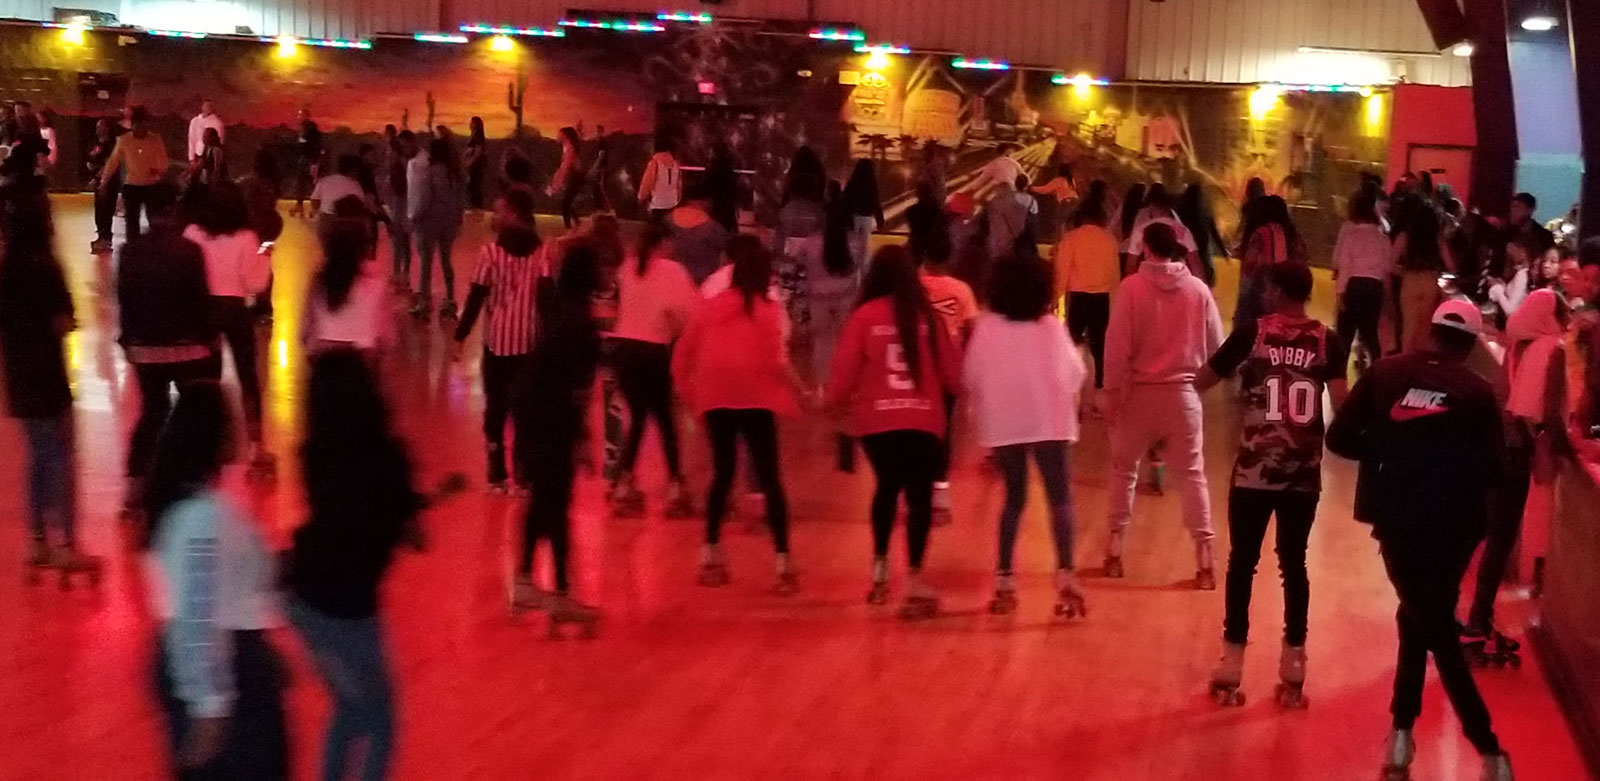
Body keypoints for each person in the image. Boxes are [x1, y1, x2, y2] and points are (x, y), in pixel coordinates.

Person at [1326, 300, 1515, 781]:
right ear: (1469, 345)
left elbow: (1338, 438)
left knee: (1421, 620)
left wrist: (1391, 449)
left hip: (1398, 519)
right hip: (1455, 528)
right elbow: (1495, 469)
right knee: (1429, 622)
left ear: (1430, 332)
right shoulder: (1477, 393)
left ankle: (1417, 741)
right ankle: (1485, 752)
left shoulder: (1385, 373)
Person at [1194, 262, 1348, 707]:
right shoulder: (1328, 340)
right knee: (1294, 564)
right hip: (1303, 473)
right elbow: (1342, 403)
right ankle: (1294, 664)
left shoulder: (1253, 333)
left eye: (1267, 288)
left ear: (1279, 290)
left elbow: (1204, 379)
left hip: (1253, 470)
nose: (1262, 294)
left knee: (1243, 563)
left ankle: (1232, 664)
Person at [286, 351, 423, 781]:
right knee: (380, 717)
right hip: (349, 606)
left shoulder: (314, 454)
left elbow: (343, 516)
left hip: (304, 598)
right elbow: (413, 533)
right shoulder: (387, 458)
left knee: (350, 707)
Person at [142, 382, 288, 780]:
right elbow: (196, 612)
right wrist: (209, 708)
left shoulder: (188, 507)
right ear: (218, 435)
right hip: (223, 670)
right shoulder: (202, 518)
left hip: (216, 665)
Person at [824, 245, 960, 614]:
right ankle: (914, 574)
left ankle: (880, 568)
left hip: (877, 423)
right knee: (919, 497)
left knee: (887, 486)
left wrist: (831, 406)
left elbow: (842, 377)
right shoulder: (929, 318)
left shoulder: (864, 317)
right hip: (924, 422)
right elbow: (952, 377)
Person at [672, 235, 807, 594]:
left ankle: (710, 554)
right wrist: (802, 391)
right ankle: (783, 562)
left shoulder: (710, 306)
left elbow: (682, 356)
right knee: (770, 477)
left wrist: (691, 397)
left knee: (722, 473)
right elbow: (777, 361)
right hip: (756, 399)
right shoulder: (769, 310)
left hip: (716, 397)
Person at [964, 255, 1090, 617]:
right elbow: (1075, 374)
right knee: (1060, 499)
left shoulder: (986, 327)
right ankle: (1066, 576)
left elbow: (971, 375)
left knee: (1014, 498)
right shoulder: (1050, 327)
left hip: (1005, 424)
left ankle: (1004, 579)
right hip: (1050, 422)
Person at [1101, 223, 1224, 586]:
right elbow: (1218, 347)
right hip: (1183, 397)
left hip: (1138, 396)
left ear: (1146, 249)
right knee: (1192, 475)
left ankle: (1114, 549)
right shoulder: (1198, 290)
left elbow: (1116, 349)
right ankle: (1204, 558)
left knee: (1124, 471)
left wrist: (1111, 393)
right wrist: (1199, 387)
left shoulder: (1131, 289)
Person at [1462, 288, 1566, 658]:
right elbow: (1549, 412)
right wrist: (1569, 448)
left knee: (1483, 536)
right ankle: (1477, 623)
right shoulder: (1552, 351)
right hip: (1514, 453)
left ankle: (1469, 617)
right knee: (1500, 541)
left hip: (1491, 445)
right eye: (1562, 316)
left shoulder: (1517, 347)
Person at [510, 242, 604, 623]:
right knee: (557, 504)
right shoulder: (582, 323)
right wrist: (580, 437)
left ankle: (524, 583)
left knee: (540, 500)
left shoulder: (557, 310)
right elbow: (576, 390)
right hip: (553, 419)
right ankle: (562, 592)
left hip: (531, 413)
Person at [0, 190, 93, 570]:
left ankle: (38, 541)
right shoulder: (47, 268)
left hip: (18, 374)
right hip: (49, 374)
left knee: (38, 456)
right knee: (60, 456)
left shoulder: (6, 270)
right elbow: (63, 321)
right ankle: (67, 544)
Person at [116, 183, 218, 516]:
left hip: (145, 349)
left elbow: (125, 300)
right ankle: (193, 486)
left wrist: (128, 340)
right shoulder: (190, 251)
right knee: (193, 416)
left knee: (152, 412)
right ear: (174, 209)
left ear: (147, 212)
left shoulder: (129, 252)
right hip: (188, 348)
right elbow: (200, 301)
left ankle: (134, 490)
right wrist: (210, 338)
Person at [452, 186, 545, 493]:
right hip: (529, 344)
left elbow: (476, 297)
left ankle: (497, 474)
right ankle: (524, 475)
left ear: (514, 215)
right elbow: (547, 299)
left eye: (500, 211)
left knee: (496, 408)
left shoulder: (490, 253)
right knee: (526, 412)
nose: (495, 216)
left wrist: (460, 336)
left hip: (497, 345)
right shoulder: (542, 253)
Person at [607, 224, 699, 517]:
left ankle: (624, 482)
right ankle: (675, 485)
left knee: (638, 417)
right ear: (663, 243)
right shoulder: (672, 271)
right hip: (654, 351)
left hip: (623, 351)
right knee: (665, 419)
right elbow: (686, 313)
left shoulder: (627, 268)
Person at [183, 182, 272, 474]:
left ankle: (211, 443)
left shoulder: (193, 233)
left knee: (208, 379)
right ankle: (257, 445)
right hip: (234, 309)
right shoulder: (246, 237)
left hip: (202, 309)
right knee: (248, 377)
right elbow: (256, 284)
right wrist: (266, 257)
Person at [918, 230, 978, 520]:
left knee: (917, 427)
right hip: (948, 366)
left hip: (915, 364)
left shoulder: (912, 286)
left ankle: (916, 488)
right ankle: (940, 494)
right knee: (943, 429)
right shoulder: (961, 290)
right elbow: (972, 331)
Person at [302, 217, 393, 357]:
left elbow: (305, 332)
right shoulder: (375, 283)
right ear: (364, 249)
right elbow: (387, 338)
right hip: (363, 357)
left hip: (325, 357)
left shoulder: (319, 283)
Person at [1054, 199, 1120, 393]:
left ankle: (1069, 383)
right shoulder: (1109, 240)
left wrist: (1054, 297)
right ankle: (1101, 382)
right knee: (1100, 343)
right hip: (1102, 298)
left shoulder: (1071, 238)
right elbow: (1114, 274)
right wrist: (1115, 302)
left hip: (1078, 298)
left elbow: (1062, 271)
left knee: (1072, 341)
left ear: (1082, 217)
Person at [408, 136, 467, 321]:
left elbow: (424, 199)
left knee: (425, 264)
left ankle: (423, 304)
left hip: (430, 221)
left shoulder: (430, 172)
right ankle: (450, 300)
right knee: (446, 261)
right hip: (448, 221)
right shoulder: (455, 173)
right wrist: (458, 219)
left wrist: (413, 216)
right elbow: (460, 201)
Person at [1332, 191, 1391, 371]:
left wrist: (1341, 292)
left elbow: (1345, 266)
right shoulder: (1382, 238)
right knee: (1370, 333)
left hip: (1354, 286)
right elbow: (1386, 267)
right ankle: (1377, 370)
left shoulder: (1351, 236)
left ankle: (1339, 373)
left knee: (1345, 333)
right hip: (1374, 287)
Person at [774, 153, 828, 338]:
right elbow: (822, 236)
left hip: (788, 257)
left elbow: (779, 238)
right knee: (805, 295)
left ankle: (786, 328)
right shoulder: (818, 211)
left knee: (786, 294)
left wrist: (777, 258)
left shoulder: (786, 210)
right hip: (810, 259)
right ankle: (803, 330)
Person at [1234, 195, 1306, 327]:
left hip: (1261, 286)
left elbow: (1250, 262)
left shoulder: (1261, 233)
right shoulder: (1292, 233)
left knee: (1252, 326)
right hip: (1288, 289)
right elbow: (1301, 257)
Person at [99, 106, 170, 239]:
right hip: (131, 186)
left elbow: (163, 160)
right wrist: (104, 181)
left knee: (154, 221)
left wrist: (159, 171)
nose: (141, 130)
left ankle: (155, 247)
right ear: (132, 125)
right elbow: (113, 161)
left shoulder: (155, 140)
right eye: (137, 126)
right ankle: (133, 247)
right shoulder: (124, 140)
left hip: (151, 186)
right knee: (132, 223)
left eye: (143, 125)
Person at [1392, 206, 1455, 353]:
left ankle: (1405, 359)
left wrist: (1404, 272)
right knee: (1424, 328)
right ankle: (1419, 360)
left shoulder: (1405, 236)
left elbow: (1390, 264)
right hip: (1429, 281)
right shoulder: (1437, 239)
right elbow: (1450, 265)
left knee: (1409, 326)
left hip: (1410, 281)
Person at [237, 150, 285, 325]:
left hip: (246, 233)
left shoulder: (244, 182)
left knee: (244, 266)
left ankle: (246, 304)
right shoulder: (269, 185)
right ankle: (263, 307)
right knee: (264, 266)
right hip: (267, 233)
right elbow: (269, 209)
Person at [1123, 184, 1198, 278]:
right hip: (1178, 279)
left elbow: (1130, 267)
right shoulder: (1183, 231)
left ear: (1150, 207)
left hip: (1149, 279)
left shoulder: (1141, 230)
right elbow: (1196, 266)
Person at [664, 183, 729, 285]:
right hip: (703, 281)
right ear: (705, 202)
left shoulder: (668, 220)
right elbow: (724, 256)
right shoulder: (713, 227)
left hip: (671, 278)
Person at [384, 131, 417, 292]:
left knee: (400, 240)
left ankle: (400, 273)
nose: (387, 153)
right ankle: (402, 273)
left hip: (402, 203)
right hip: (400, 203)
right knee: (402, 241)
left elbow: (405, 186)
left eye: (389, 150)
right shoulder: (399, 164)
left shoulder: (401, 164)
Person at [1176, 183, 1226, 286]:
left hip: (1186, 247)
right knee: (1206, 273)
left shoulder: (1181, 210)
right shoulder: (1205, 211)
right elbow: (1214, 231)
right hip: (1203, 246)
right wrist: (1223, 251)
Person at [840, 159, 885, 271]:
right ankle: (863, 270)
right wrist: (880, 221)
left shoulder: (852, 184)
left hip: (853, 217)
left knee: (852, 246)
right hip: (867, 218)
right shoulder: (871, 185)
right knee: (864, 247)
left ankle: (852, 269)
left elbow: (845, 201)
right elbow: (876, 202)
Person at [85, 117, 121, 251]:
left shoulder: (111, 144)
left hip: (108, 181)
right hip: (97, 180)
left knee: (106, 209)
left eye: (101, 126)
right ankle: (101, 235)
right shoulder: (95, 143)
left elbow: (109, 163)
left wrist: (99, 178)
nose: (98, 129)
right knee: (99, 209)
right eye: (97, 126)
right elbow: (91, 158)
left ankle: (106, 237)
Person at [985, 174, 1038, 262]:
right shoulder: (1031, 200)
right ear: (1026, 186)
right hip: (1023, 235)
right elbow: (1033, 218)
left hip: (1008, 233)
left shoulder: (1009, 198)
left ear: (1015, 184)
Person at [638, 129, 682, 222]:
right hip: (673, 203)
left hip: (658, 204)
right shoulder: (675, 164)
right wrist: (677, 199)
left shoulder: (655, 163)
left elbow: (647, 184)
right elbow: (679, 186)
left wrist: (641, 198)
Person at [549, 126, 584, 229]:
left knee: (565, 203)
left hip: (576, 177)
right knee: (566, 202)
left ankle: (570, 228)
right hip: (575, 176)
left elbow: (566, 166)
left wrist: (557, 183)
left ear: (565, 136)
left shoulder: (569, 148)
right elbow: (564, 166)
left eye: (559, 134)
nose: (557, 136)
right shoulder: (567, 147)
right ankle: (578, 224)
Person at [291, 107, 323, 217]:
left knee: (308, 183)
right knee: (303, 183)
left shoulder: (310, 129)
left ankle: (314, 207)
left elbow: (311, 144)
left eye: (300, 115)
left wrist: (314, 160)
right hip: (307, 158)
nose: (298, 117)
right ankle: (303, 205)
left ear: (306, 116)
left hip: (309, 159)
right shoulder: (305, 128)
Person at [703, 142, 737, 231]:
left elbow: (708, 181)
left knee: (718, 220)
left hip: (717, 198)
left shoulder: (713, 166)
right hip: (725, 198)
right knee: (727, 219)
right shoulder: (728, 166)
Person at [187, 99, 224, 163]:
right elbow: (191, 140)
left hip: (212, 157)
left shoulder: (218, 123)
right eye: (206, 106)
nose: (207, 108)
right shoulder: (195, 121)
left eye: (210, 106)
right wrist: (191, 158)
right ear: (202, 106)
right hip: (198, 154)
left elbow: (220, 143)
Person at [464, 116, 488, 213]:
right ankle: (475, 207)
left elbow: (478, 151)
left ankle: (476, 208)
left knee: (473, 186)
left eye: (472, 122)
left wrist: (470, 162)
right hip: (474, 166)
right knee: (473, 186)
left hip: (476, 166)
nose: (470, 124)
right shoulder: (474, 136)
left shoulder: (477, 137)